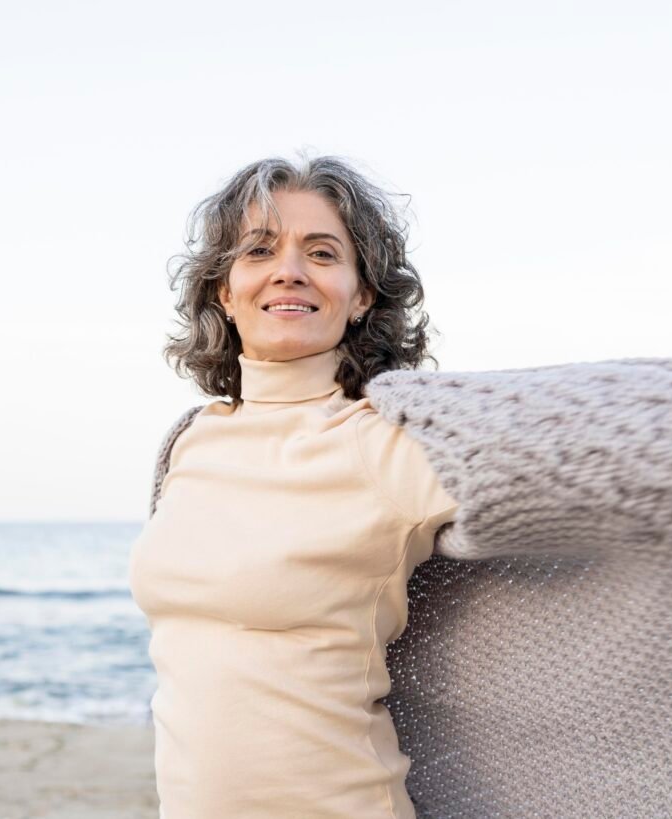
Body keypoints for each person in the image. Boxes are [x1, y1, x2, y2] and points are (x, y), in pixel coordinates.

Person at [128, 152, 460, 819]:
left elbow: (563, 490)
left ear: (362, 293)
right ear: (224, 287)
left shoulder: (387, 440)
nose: (289, 269)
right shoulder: (190, 441)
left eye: (322, 252)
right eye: (258, 249)